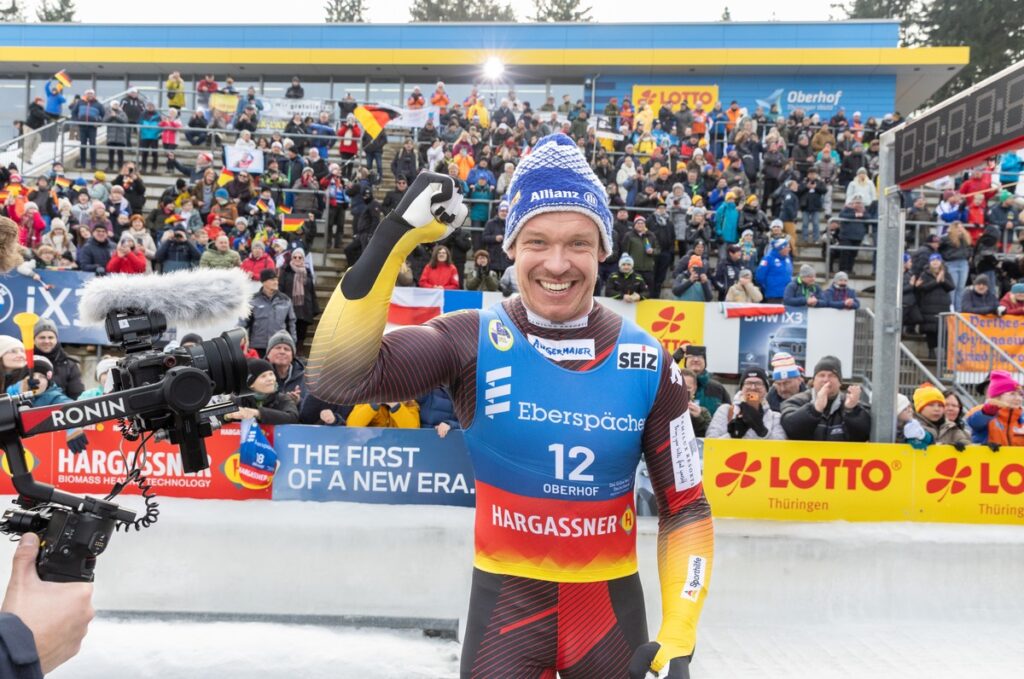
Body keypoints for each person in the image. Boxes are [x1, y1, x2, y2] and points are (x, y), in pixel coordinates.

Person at [307, 134, 710, 679]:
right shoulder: (469, 339)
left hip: (607, 624)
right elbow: (334, 376)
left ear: (603, 250)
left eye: (579, 243)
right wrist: (394, 236)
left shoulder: (647, 359)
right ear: (512, 247)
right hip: (506, 619)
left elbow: (686, 506)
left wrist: (681, 627)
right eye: (538, 241)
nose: (557, 264)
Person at [780, 355, 871, 442]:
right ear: (813, 381)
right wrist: (815, 409)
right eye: (821, 375)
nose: (826, 379)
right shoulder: (796, 401)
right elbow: (791, 429)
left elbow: (863, 435)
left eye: (832, 375)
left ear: (840, 382)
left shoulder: (851, 403)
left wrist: (851, 411)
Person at [706, 368, 786, 440]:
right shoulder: (726, 411)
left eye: (758, 383)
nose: (753, 387)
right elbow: (710, 445)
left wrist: (762, 431)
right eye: (748, 383)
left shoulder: (775, 417)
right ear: (742, 388)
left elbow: (781, 447)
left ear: (766, 389)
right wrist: (733, 435)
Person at [224, 359, 299, 425]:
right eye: (263, 376)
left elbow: (293, 418)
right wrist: (228, 416)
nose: (270, 379)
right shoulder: (237, 399)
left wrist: (258, 413)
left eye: (271, 374)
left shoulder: (282, 398)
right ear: (251, 384)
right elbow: (219, 417)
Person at [901, 383, 971, 449]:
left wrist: (960, 445)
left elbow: (967, 443)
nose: (936, 409)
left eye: (940, 405)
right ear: (919, 409)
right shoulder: (912, 427)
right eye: (931, 405)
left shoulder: (951, 427)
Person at [965, 370, 1024, 448]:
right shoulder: (982, 411)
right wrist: (987, 413)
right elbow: (974, 423)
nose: (1018, 398)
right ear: (998, 396)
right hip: (986, 455)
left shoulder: (1021, 416)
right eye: (1012, 394)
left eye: (1020, 394)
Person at [247, 269, 297, 357]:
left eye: (276, 279)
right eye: (272, 280)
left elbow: (291, 323)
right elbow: (243, 323)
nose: (276, 282)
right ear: (263, 282)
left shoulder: (285, 300)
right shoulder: (253, 300)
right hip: (257, 346)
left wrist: (292, 342)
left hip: (278, 345)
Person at [31, 318, 84, 400]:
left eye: (51, 337)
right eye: (42, 337)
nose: (47, 341)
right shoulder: (24, 362)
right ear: (34, 340)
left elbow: (78, 397)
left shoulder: (69, 365)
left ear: (56, 339)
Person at [914, 254, 955, 358]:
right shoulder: (924, 274)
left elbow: (951, 287)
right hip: (929, 306)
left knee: (944, 330)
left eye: (937, 260)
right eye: (933, 260)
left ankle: (946, 353)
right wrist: (936, 282)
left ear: (941, 262)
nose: (935, 262)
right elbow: (922, 288)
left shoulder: (946, 273)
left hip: (943, 305)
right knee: (930, 330)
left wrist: (943, 281)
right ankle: (931, 351)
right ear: (929, 262)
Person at [278, 248, 320, 350]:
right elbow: (280, 289)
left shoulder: (308, 272)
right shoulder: (286, 271)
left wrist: (315, 308)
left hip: (304, 307)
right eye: (295, 257)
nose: (297, 259)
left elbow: (311, 291)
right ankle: (290, 351)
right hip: (289, 306)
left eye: (300, 257)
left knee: (301, 333)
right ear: (291, 258)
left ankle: (299, 352)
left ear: (303, 259)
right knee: (289, 331)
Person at [674, 343, 730, 413]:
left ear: (705, 362)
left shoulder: (717, 388)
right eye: (691, 356)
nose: (696, 359)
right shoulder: (676, 384)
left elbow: (730, 413)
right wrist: (676, 357)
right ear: (686, 362)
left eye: (700, 356)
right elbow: (663, 375)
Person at [755, 237, 793, 303]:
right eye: (787, 247)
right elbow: (760, 276)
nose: (789, 249)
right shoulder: (768, 259)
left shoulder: (787, 258)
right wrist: (767, 287)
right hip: (773, 295)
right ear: (781, 248)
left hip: (787, 294)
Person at [679, 369, 711, 437]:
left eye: (688, 388)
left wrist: (697, 417)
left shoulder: (703, 412)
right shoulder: (662, 408)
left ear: (694, 389)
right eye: (680, 387)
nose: (683, 391)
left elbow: (708, 436)